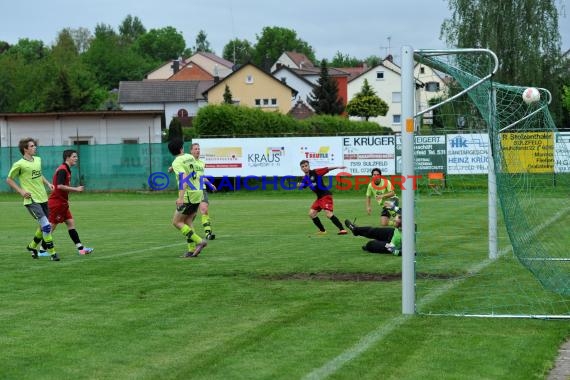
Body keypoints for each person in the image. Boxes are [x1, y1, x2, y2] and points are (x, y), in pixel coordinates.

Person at [6, 138, 59, 261]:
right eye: (32, 146)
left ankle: (32, 246)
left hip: (43, 197)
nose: (35, 147)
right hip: (31, 199)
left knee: (44, 225)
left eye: (34, 145)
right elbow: (9, 179)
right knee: (46, 226)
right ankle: (53, 253)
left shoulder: (38, 160)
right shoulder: (19, 164)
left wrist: (47, 184)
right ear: (25, 149)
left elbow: (39, 174)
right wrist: (21, 191)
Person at [40, 149, 93, 256]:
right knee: (51, 227)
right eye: (74, 156)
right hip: (57, 203)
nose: (76, 159)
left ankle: (81, 249)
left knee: (70, 223)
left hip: (63, 203)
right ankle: (42, 250)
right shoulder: (63, 169)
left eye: (76, 157)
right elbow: (59, 186)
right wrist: (76, 189)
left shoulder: (67, 169)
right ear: (67, 158)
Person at [168, 138, 207, 258]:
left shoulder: (177, 162)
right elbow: (190, 168)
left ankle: (200, 241)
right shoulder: (190, 157)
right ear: (181, 148)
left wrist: (180, 198)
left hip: (188, 196)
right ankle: (191, 251)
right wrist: (173, 167)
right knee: (187, 221)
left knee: (176, 222)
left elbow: (184, 179)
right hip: (198, 192)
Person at [298, 160, 348, 235]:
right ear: (301, 168)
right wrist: (299, 185)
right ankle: (322, 230)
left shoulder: (316, 172)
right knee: (311, 214)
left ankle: (342, 229)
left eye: (306, 165)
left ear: (309, 166)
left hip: (325, 195)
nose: (305, 167)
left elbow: (327, 169)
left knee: (328, 213)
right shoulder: (305, 178)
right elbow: (303, 186)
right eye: (303, 166)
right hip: (319, 198)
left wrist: (338, 167)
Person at [190, 142, 216, 240]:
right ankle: (189, 231)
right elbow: (178, 164)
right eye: (196, 149)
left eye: (198, 149)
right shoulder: (188, 161)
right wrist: (172, 167)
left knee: (204, 210)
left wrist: (210, 184)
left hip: (202, 189)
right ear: (191, 151)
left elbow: (202, 177)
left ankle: (208, 233)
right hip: (192, 191)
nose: (198, 150)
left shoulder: (201, 163)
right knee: (192, 214)